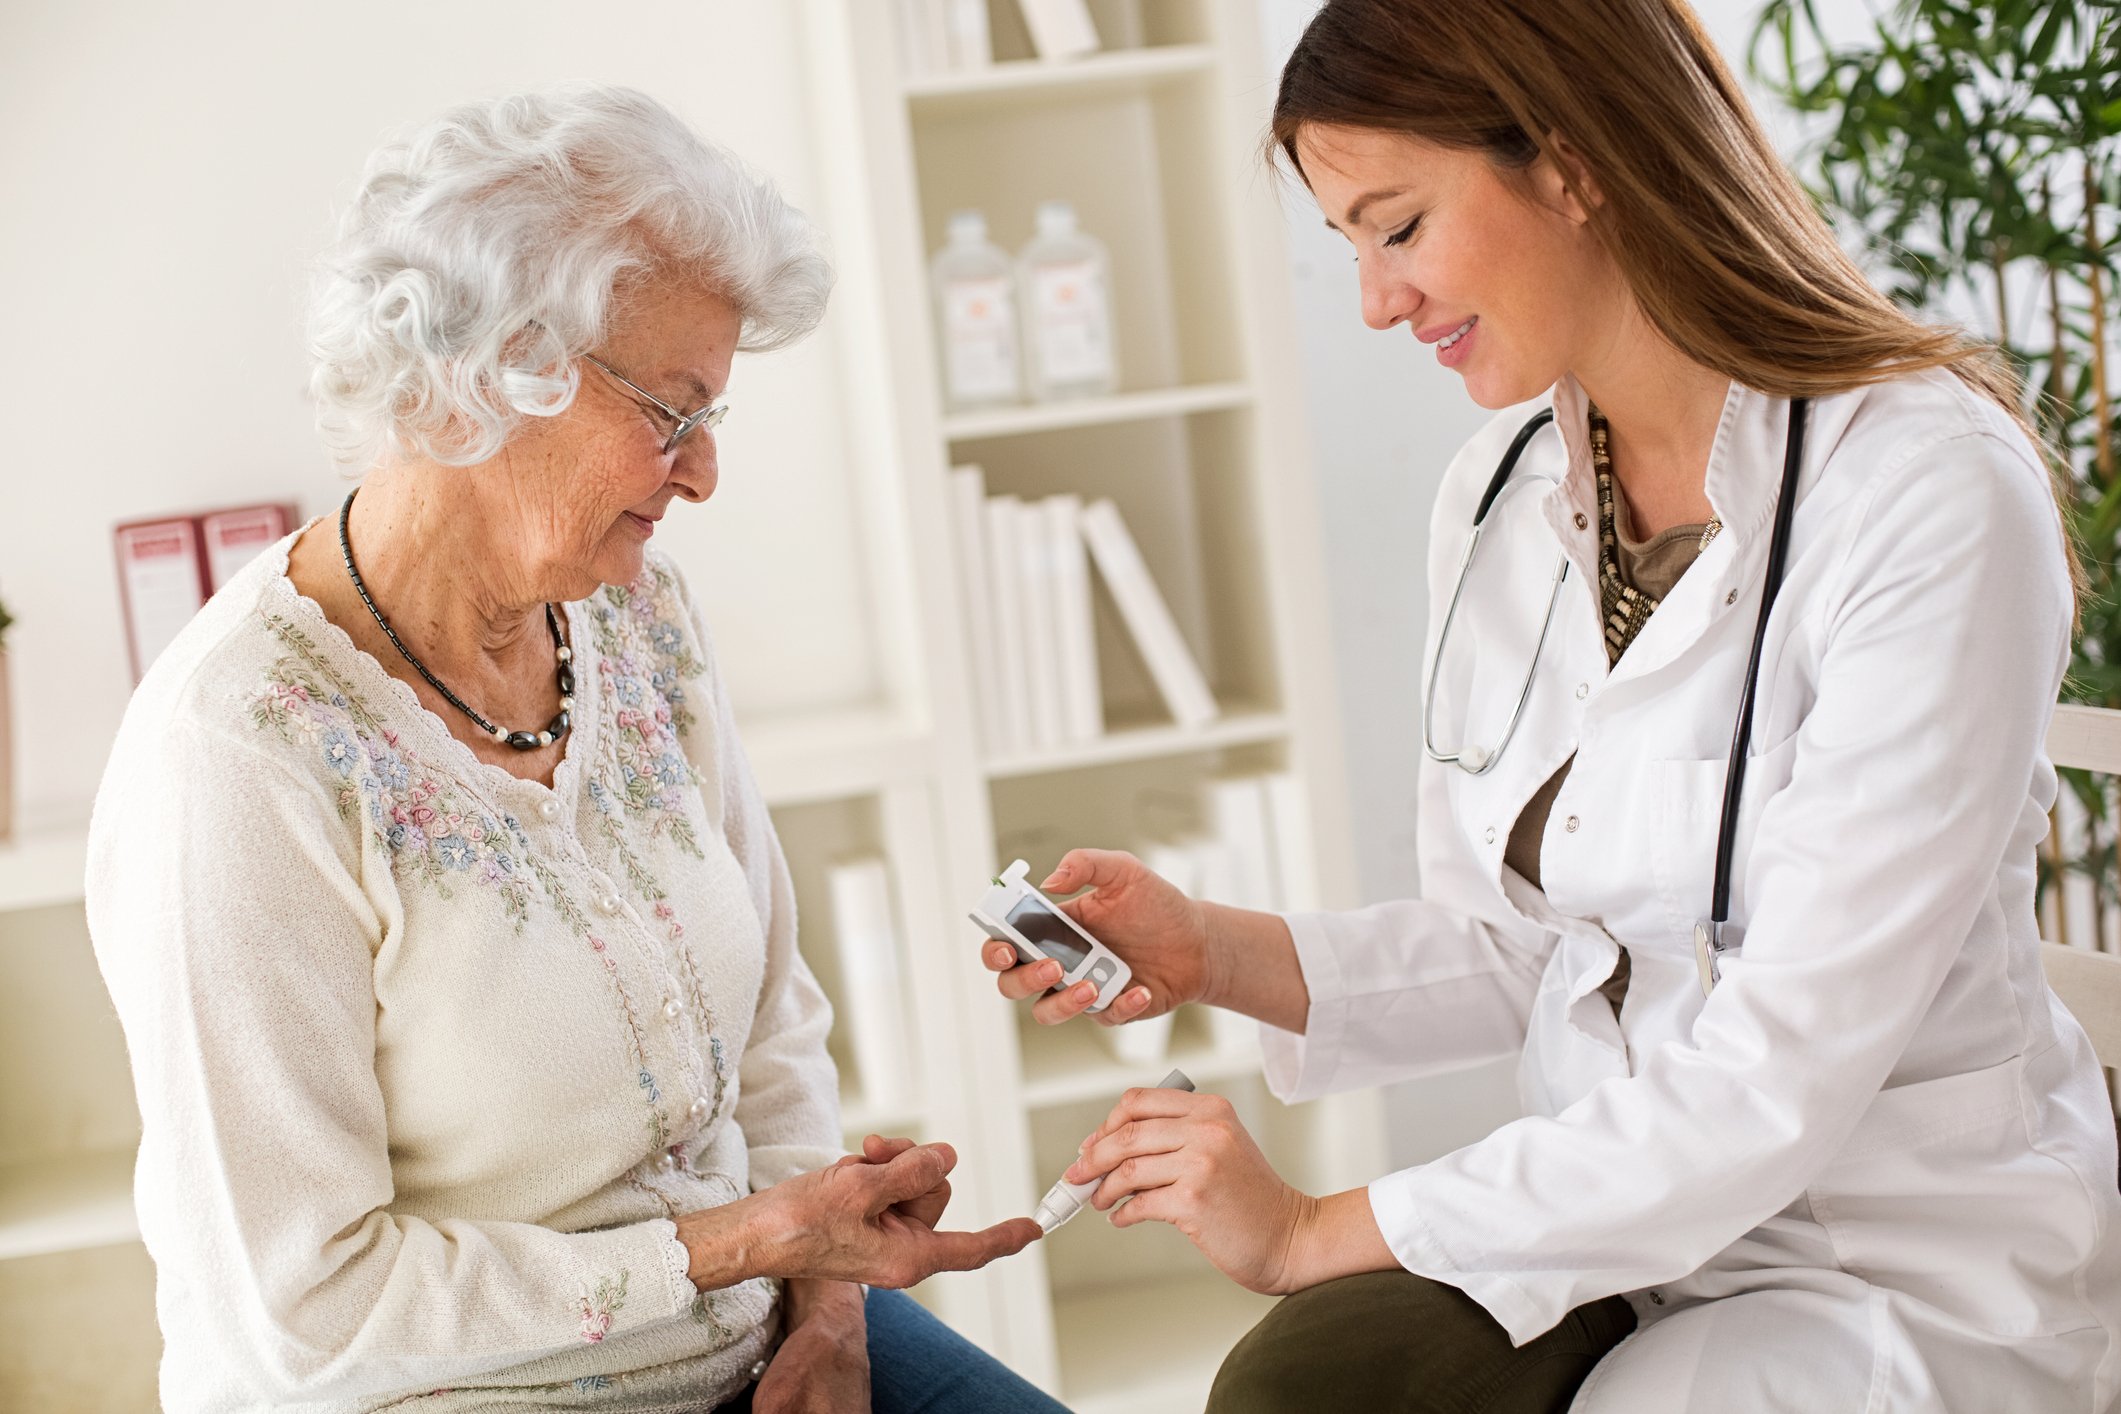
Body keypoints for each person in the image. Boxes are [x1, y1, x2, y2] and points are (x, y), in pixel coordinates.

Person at [979, 1, 2121, 1409]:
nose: (1373, 301)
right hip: (1614, 1236)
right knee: (1305, 1392)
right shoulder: (1500, 496)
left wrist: (1309, 1229)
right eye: (1345, 244)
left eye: (1395, 227)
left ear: (1573, 165)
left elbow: (1781, 1066)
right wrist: (1211, 949)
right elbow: (1530, 943)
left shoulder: (1923, 493)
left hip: (1892, 1271)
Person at [85, 85, 1060, 1414]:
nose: (703, 471)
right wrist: (749, 1242)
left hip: (764, 1332)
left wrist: (828, 1298)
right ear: (495, 376)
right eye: (673, 412)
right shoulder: (237, 755)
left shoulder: (637, 616)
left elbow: (775, 1015)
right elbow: (305, 1307)